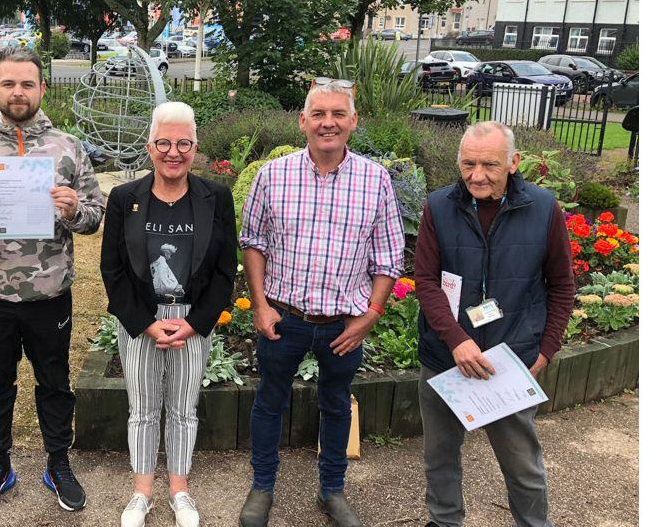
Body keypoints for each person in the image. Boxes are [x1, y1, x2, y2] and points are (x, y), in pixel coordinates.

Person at [0, 47, 105, 514]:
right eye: (9, 83)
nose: (18, 92)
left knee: (54, 382)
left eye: (27, 84)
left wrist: (74, 210)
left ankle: (57, 461)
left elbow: (95, 216)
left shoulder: (68, 148)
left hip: (49, 293)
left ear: (41, 89)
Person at [236, 79, 405, 527]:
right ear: (303, 121)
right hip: (284, 318)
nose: (327, 122)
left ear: (353, 121)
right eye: (318, 114)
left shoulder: (376, 180)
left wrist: (370, 315)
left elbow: (389, 256)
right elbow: (252, 242)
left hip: (343, 325)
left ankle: (332, 490)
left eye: (337, 114)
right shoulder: (273, 176)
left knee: (335, 404)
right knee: (269, 401)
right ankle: (262, 487)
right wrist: (259, 304)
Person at [413, 121, 575, 527]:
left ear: (514, 163)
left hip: (510, 359)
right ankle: (445, 520)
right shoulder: (438, 205)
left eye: (490, 165)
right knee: (440, 457)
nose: (477, 176)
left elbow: (561, 284)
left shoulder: (544, 208)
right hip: (446, 357)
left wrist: (546, 350)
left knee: (523, 466)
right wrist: (456, 340)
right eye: (468, 164)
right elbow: (427, 282)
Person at [100, 102, 238, 527]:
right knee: (142, 410)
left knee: (183, 410)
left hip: (192, 321)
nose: (172, 151)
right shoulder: (125, 199)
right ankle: (142, 493)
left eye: (183, 143)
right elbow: (113, 269)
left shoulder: (216, 198)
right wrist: (143, 322)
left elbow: (223, 270)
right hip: (141, 321)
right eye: (164, 142)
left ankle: (180, 490)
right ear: (150, 146)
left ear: (195, 147)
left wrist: (196, 324)